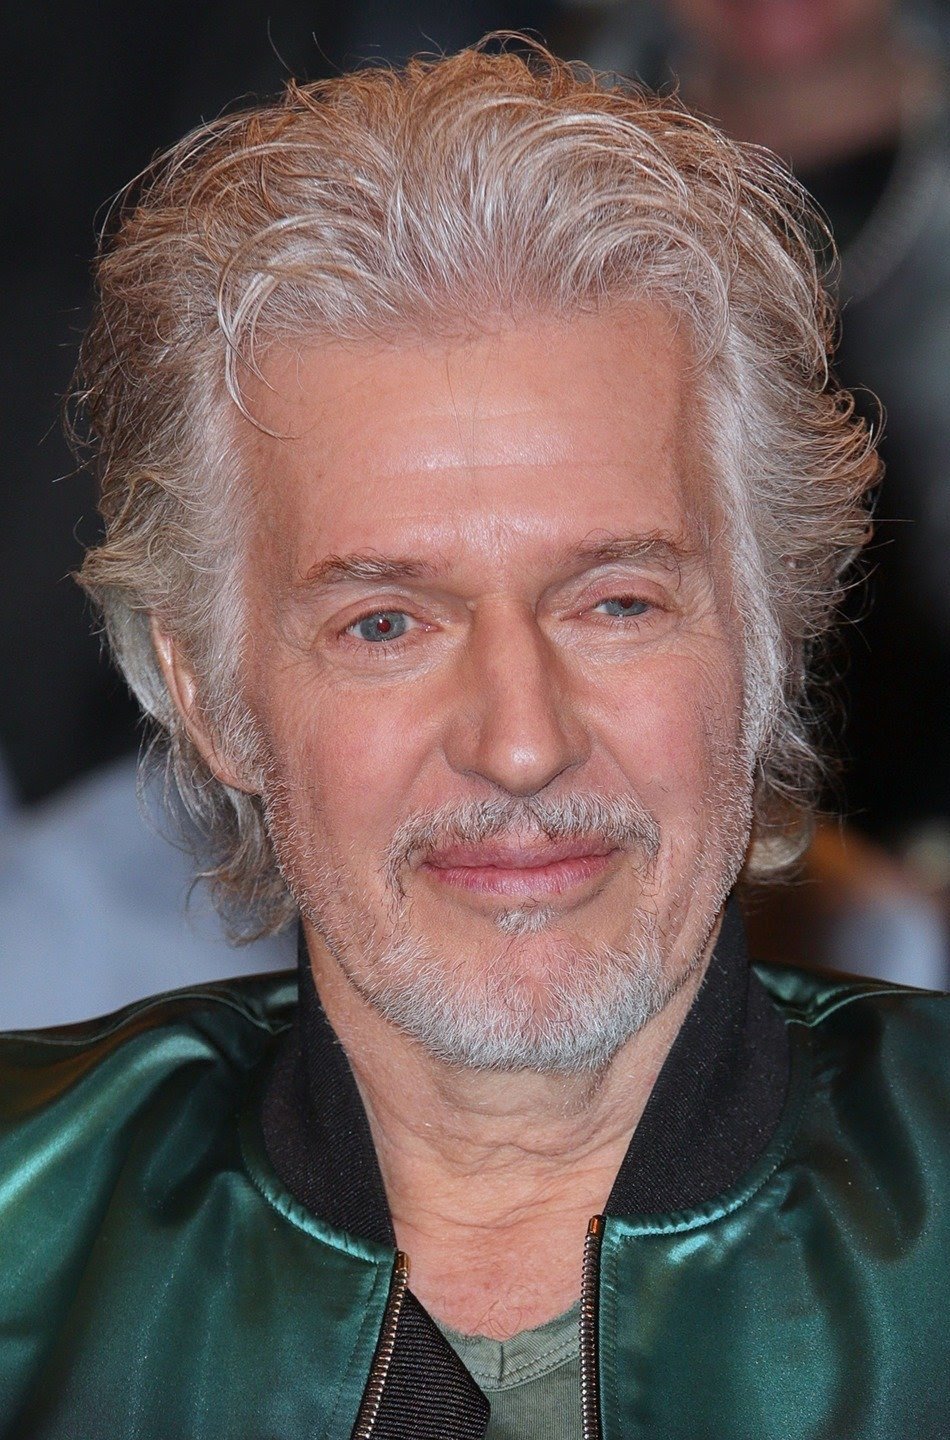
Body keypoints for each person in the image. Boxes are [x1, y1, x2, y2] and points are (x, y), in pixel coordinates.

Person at [1, 42, 947, 1439]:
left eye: (615, 603)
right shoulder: (25, 1238)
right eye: (385, 624)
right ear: (207, 697)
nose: (519, 744)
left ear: (766, 643)